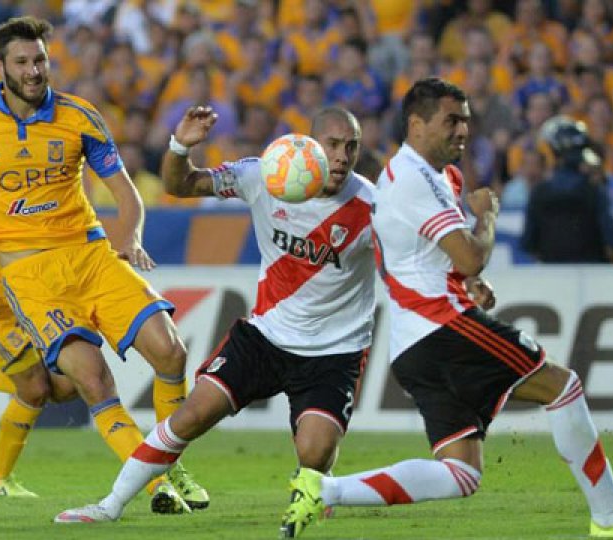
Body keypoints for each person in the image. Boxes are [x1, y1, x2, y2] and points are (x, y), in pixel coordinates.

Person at [280, 78, 613, 539]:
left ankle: (324, 490)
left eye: (467, 121)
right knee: (563, 387)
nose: (462, 131)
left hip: (414, 345)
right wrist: (487, 215)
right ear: (416, 124)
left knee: (461, 475)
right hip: (442, 327)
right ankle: (611, 521)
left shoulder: (437, 177)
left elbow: (428, 260)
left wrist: (469, 282)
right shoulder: (410, 177)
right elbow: (471, 252)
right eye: (451, 121)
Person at [0, 16, 206, 513]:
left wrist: (131, 234)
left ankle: (172, 463)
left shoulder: (79, 117)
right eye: (23, 62)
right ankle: (157, 484)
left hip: (92, 257)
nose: (34, 71)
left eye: (40, 60)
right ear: (1, 67)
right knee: (87, 383)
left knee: (172, 354)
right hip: (29, 277)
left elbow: (124, 191)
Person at [52, 106, 377, 529]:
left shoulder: (371, 205)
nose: (342, 156)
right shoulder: (266, 175)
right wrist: (179, 146)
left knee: (314, 453)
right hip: (266, 337)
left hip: (334, 351)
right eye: (333, 144)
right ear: (311, 144)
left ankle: (318, 482)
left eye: (351, 146)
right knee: (189, 416)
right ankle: (109, 505)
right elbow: (180, 183)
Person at [521, 116, 613, 263]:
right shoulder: (594, 190)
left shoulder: (539, 192)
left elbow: (528, 243)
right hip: (591, 276)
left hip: (551, 275)